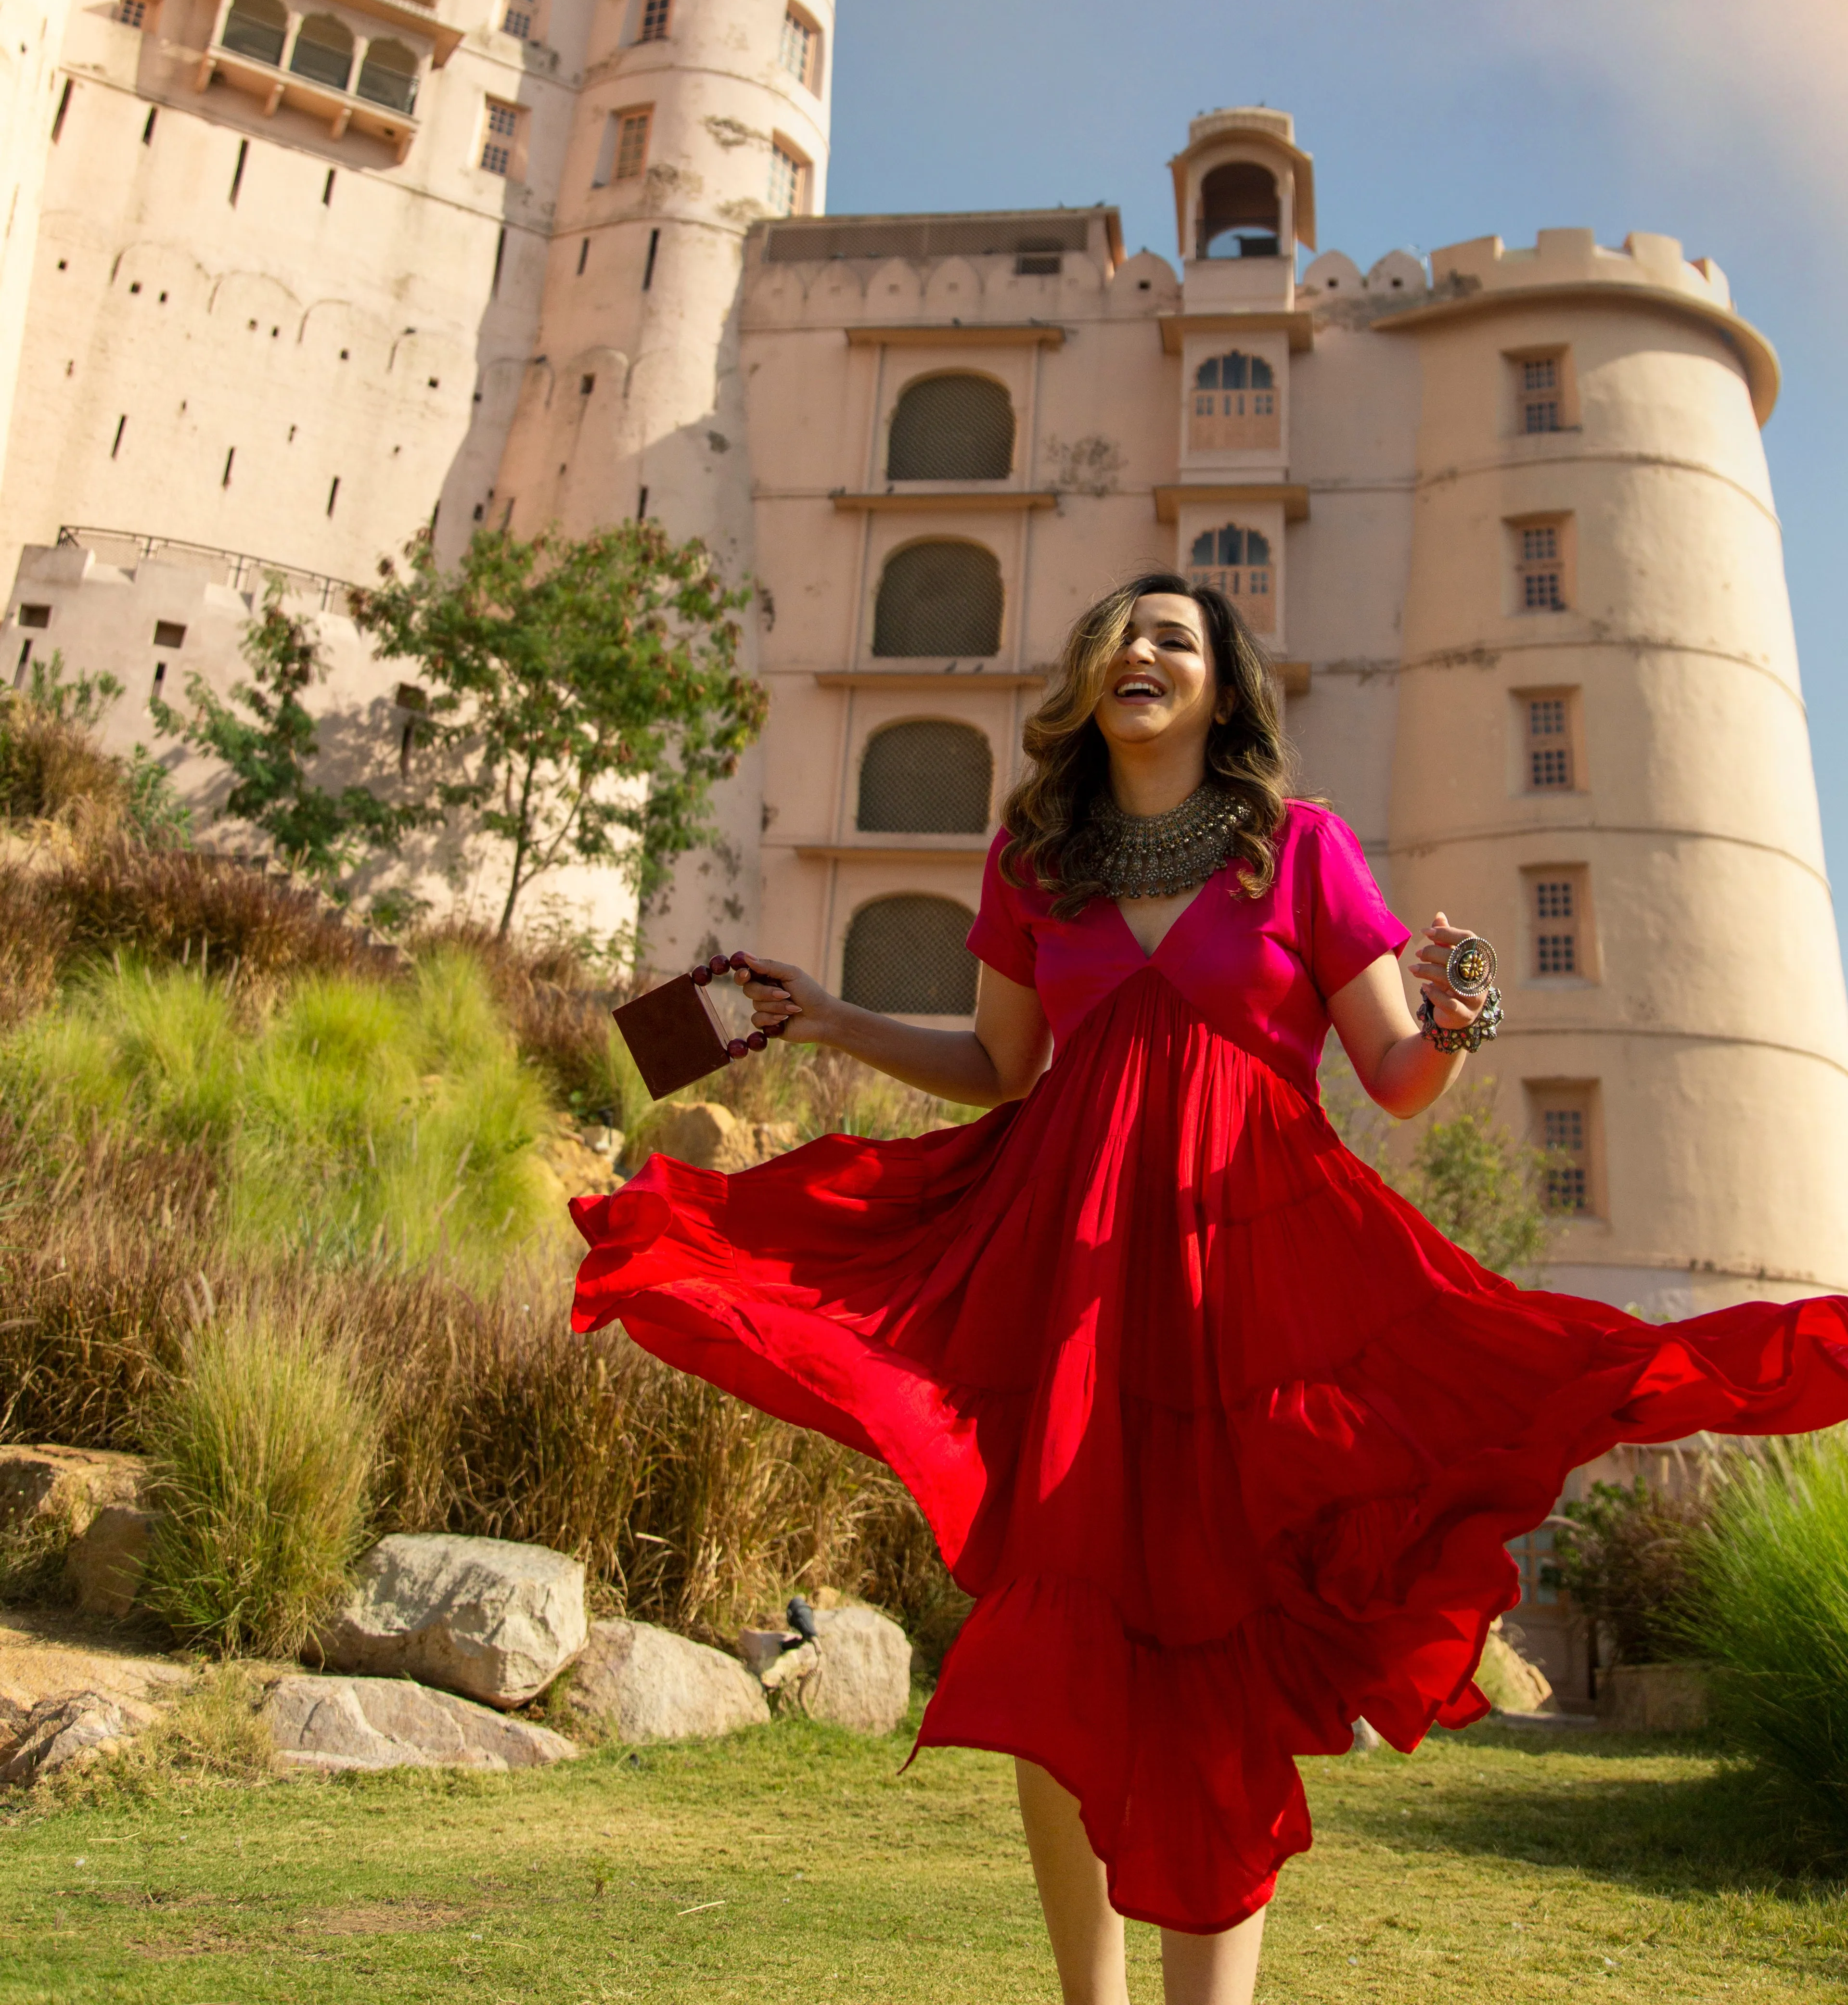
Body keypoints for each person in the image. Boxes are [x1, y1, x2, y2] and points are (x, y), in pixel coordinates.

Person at [572, 572, 1848, 2005]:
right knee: (1059, 1635)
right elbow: (1001, 1070)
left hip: (1258, 1275)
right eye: (1121, 632)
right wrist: (843, 1014)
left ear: (1224, 687)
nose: (1141, 651)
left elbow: (1398, 1080)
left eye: (1176, 637)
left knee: (1220, 1655)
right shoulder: (1036, 859)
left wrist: (1461, 1018)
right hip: (1069, 1276)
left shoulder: (1299, 850)